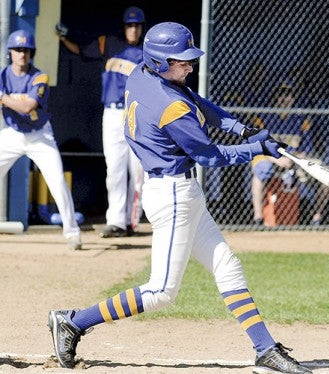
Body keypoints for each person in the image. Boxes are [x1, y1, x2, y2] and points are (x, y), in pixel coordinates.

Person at [48, 22, 312, 374]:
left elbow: (197, 101)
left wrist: (242, 128)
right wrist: (257, 149)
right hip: (172, 194)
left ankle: (265, 348)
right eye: (181, 61)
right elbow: (210, 156)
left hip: (181, 192)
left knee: (227, 266)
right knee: (160, 292)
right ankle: (75, 321)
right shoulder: (170, 107)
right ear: (159, 61)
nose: (189, 66)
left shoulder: (142, 75)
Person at [55, 6, 146, 238]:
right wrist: (63, 38)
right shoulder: (109, 44)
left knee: (137, 172)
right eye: (129, 25)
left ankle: (131, 222)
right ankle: (115, 221)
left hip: (137, 114)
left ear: (142, 28)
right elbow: (82, 51)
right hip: (112, 113)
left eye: (136, 25)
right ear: (123, 27)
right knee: (114, 169)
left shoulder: (149, 52)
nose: (133, 29)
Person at [0, 30, 82, 250]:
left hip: (39, 136)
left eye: (26, 50)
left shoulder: (39, 76)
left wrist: (2, 97)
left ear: (32, 52)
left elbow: (27, 107)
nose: (22, 54)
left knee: (57, 181)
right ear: (10, 52)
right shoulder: (3, 76)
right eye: (17, 49)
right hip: (13, 133)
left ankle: (72, 232)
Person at [250, 81, 313, 226]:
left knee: (319, 172)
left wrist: (295, 159)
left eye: (288, 95)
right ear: (276, 99)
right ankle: (258, 217)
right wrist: (277, 160)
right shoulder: (265, 117)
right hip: (268, 158)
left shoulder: (300, 119)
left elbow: (305, 148)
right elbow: (258, 146)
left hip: (293, 160)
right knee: (262, 171)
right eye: (281, 95)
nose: (285, 99)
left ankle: (315, 218)